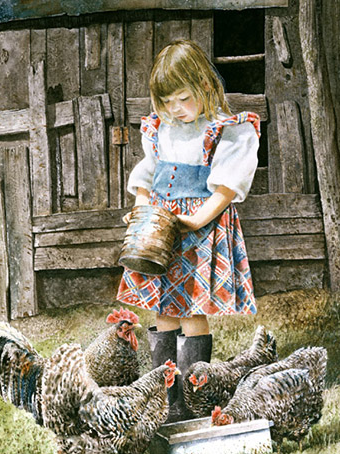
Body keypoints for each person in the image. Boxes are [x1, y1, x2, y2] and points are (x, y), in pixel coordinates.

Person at [116, 40, 260, 421]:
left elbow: (225, 189)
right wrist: (142, 210)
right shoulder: (161, 129)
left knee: (192, 311)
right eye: (167, 101)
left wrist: (196, 220)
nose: (174, 109)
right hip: (162, 233)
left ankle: (195, 399)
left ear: (205, 86)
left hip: (198, 232)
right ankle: (167, 401)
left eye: (183, 98)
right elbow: (147, 176)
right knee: (164, 309)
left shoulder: (224, 130)